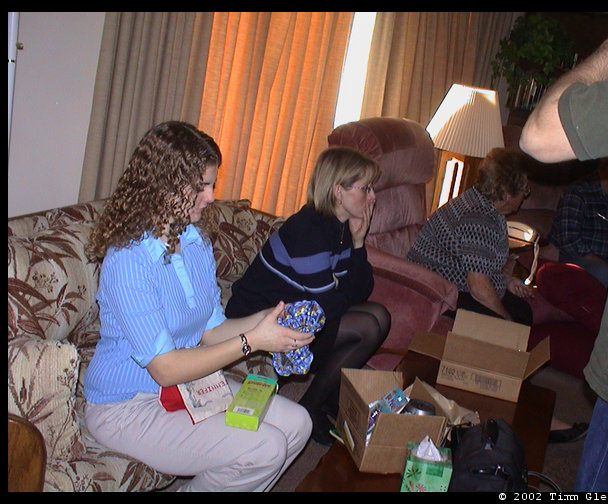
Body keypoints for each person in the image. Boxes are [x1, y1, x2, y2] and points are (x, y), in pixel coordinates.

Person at [83, 121, 313, 492]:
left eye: (212, 185)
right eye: (200, 186)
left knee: (299, 423)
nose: (210, 197)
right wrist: (253, 341)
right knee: (265, 447)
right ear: (164, 186)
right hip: (127, 407)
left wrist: (271, 320)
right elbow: (165, 368)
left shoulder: (193, 243)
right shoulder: (128, 260)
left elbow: (211, 330)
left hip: (187, 389)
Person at [520, 12, 608, 492]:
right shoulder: (579, 197)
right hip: (585, 273)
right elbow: (569, 246)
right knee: (583, 268)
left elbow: (538, 133)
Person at [225, 146, 390, 445]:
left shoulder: (339, 229)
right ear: (338, 191)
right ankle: (311, 407)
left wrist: (357, 242)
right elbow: (332, 303)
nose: (372, 197)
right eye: (365, 188)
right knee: (369, 323)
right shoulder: (309, 230)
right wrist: (344, 288)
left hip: (300, 310)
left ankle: (321, 399)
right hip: (256, 317)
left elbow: (360, 289)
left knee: (378, 315)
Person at [407, 147, 534, 325]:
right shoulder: (479, 218)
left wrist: (506, 281)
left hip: (456, 284)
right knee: (516, 320)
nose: (525, 195)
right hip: (438, 292)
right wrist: (508, 326)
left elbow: (474, 264)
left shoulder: (484, 205)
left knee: (522, 310)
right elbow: (478, 287)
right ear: (506, 194)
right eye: (524, 189)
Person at [549, 156, 608, 288]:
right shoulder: (577, 193)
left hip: (606, 259)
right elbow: (569, 241)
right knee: (602, 272)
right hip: (575, 258)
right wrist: (605, 264)